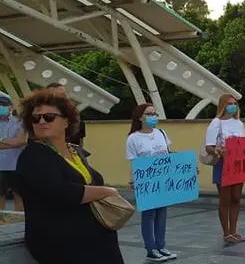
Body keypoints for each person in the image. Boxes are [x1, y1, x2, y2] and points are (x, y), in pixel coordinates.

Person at [16, 88, 124, 263]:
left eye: (49, 117)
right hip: (61, 243)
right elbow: (63, 193)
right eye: (35, 118)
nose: (41, 121)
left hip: (96, 239)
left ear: (66, 121)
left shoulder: (75, 152)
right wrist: (107, 191)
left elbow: (90, 182)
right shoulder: (33, 155)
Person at [126, 103, 178, 262]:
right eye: (149, 114)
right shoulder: (133, 138)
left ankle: (161, 246)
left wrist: (183, 167)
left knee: (161, 214)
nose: (153, 117)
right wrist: (134, 179)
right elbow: (134, 162)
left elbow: (169, 154)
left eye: (154, 114)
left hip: (162, 180)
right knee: (149, 215)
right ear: (140, 117)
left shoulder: (161, 133)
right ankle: (151, 248)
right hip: (146, 182)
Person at [204, 93, 245, 244]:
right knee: (225, 199)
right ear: (223, 105)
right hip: (223, 163)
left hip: (238, 164)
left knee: (236, 198)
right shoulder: (216, 123)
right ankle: (226, 232)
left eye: (235, 103)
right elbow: (208, 146)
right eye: (230, 103)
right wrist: (219, 151)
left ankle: (234, 230)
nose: (233, 106)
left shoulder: (239, 123)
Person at [0, 93, 25, 212]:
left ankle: (19, 223)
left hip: (17, 165)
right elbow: (15, 142)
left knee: (19, 196)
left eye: (4, 105)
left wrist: (2, 141)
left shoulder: (20, 123)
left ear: (11, 107)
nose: (1, 107)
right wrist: (12, 142)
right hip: (0, 167)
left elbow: (20, 141)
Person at [46, 82, 87, 149]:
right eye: (55, 96)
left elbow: (80, 143)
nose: (60, 99)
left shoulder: (75, 117)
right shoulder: (38, 119)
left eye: (63, 95)